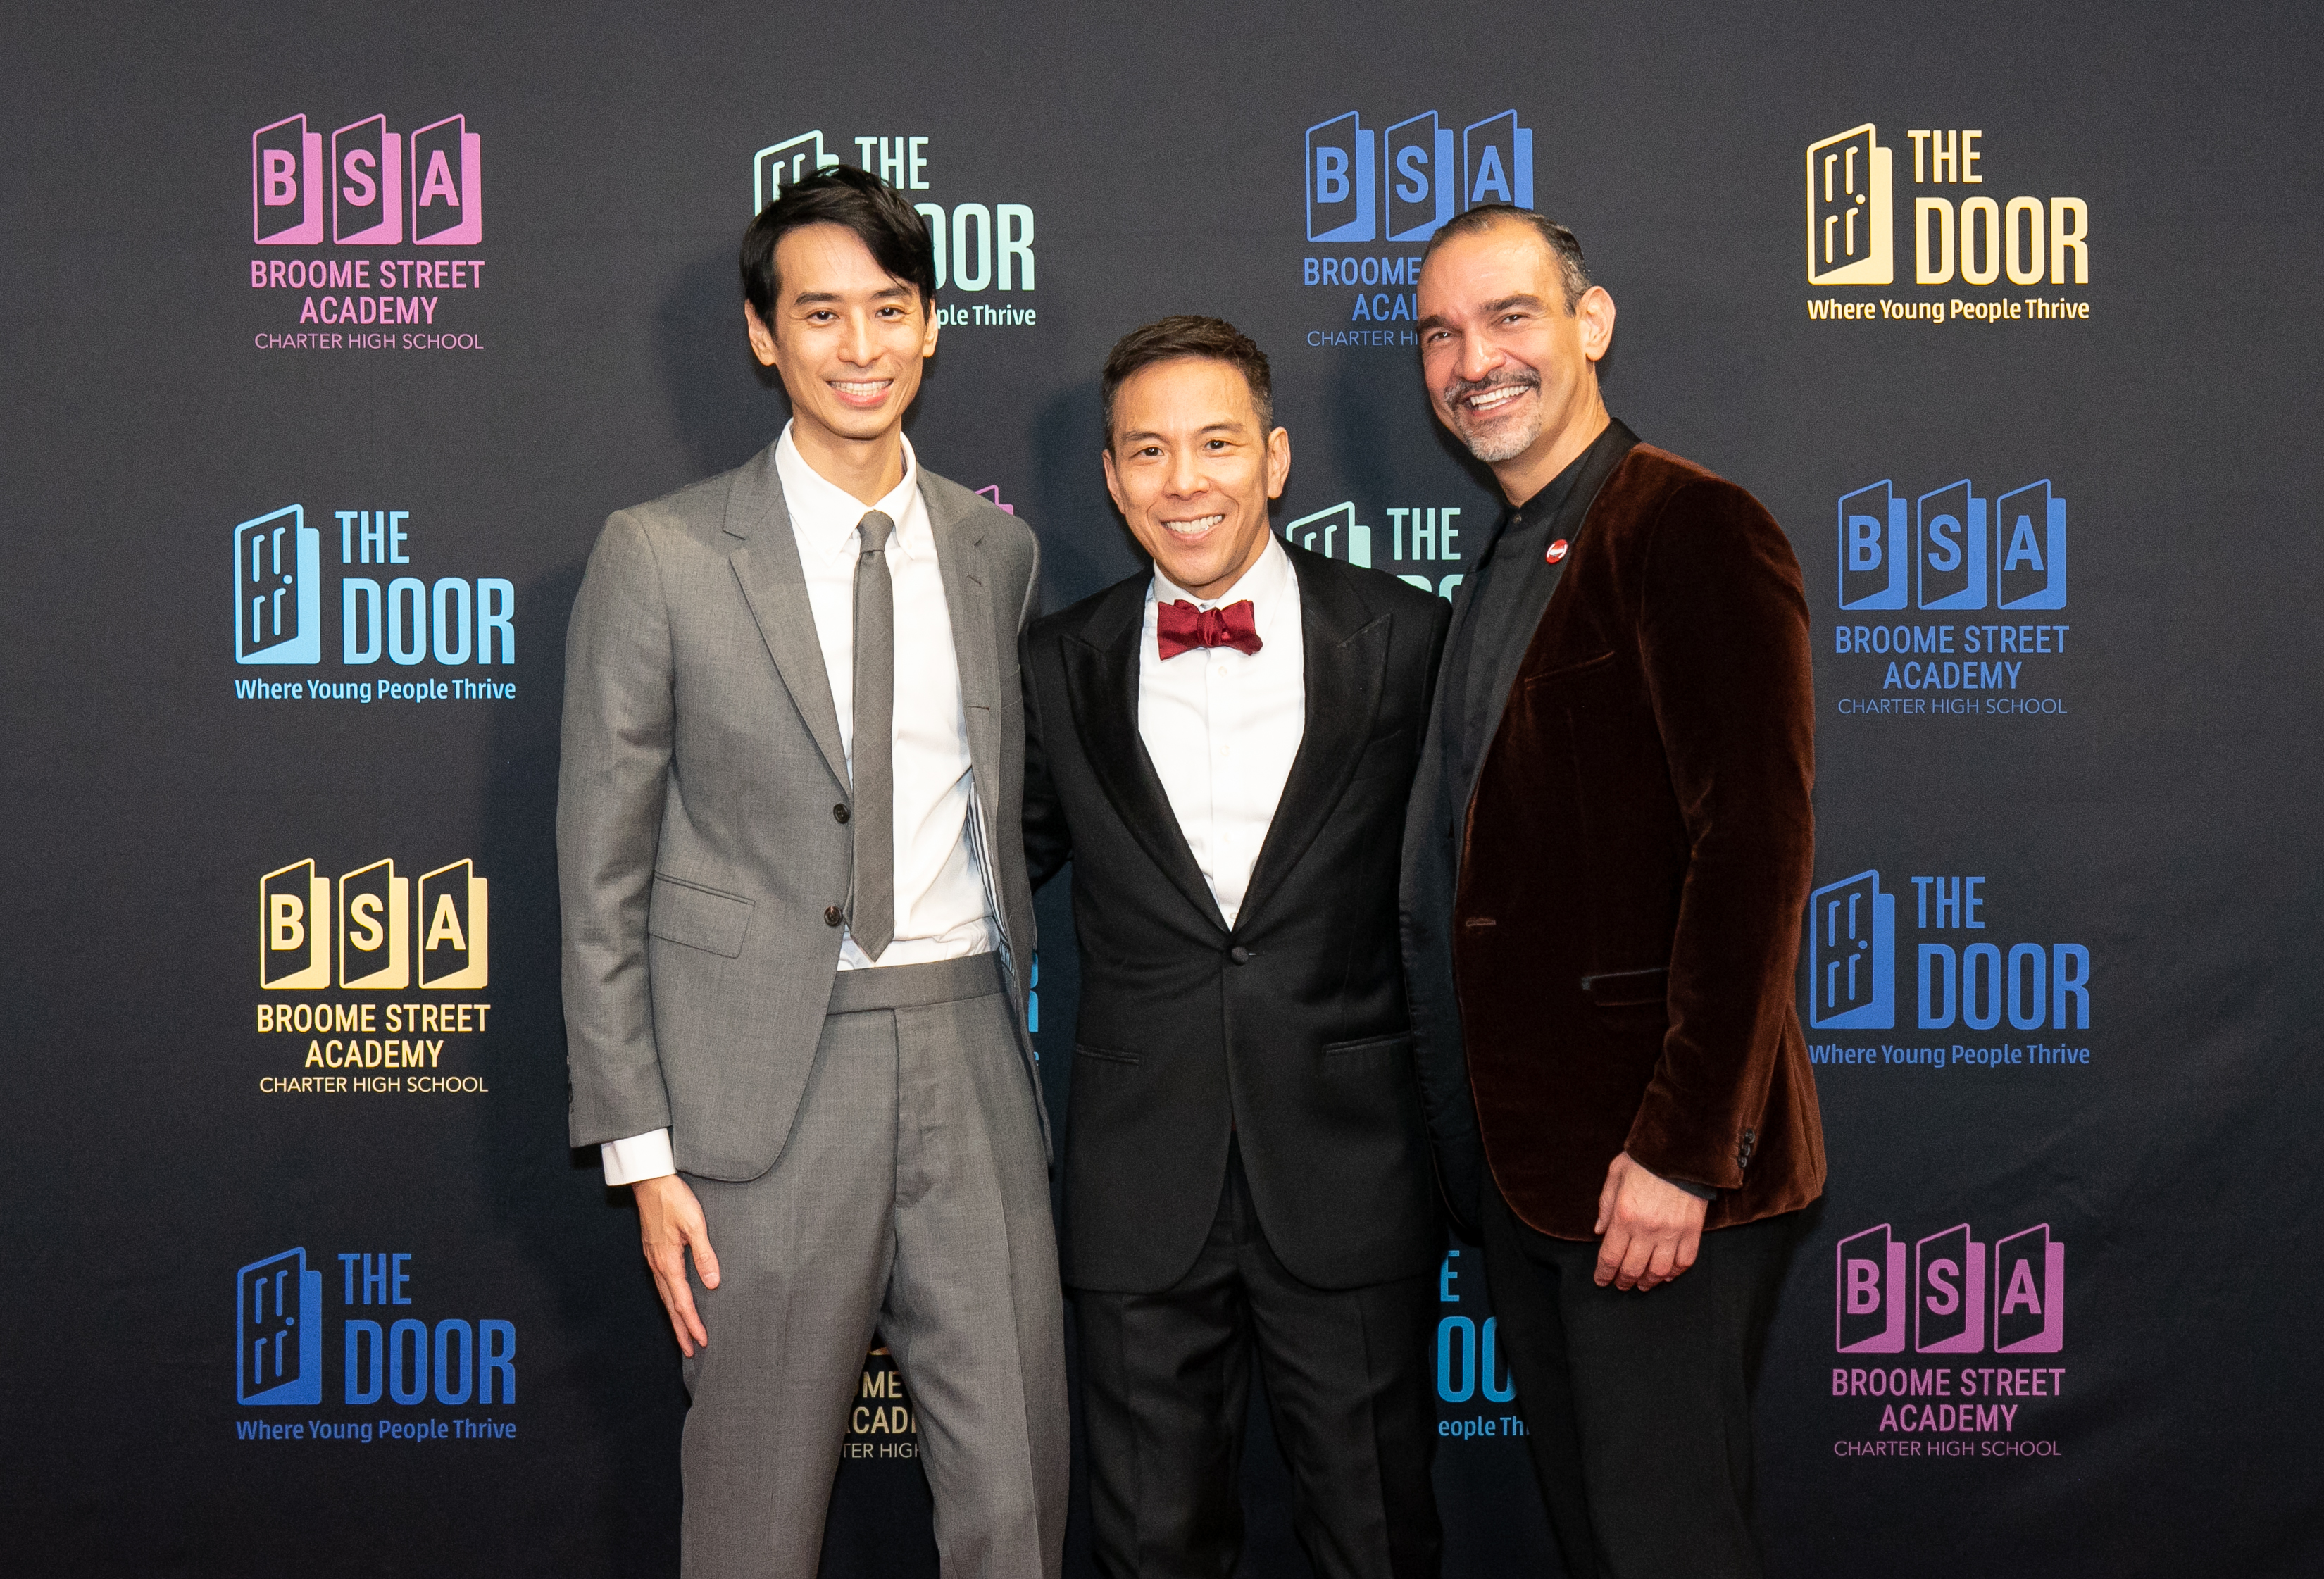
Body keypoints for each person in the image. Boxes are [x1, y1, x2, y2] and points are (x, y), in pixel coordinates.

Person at [557, 165, 1064, 1579]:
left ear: (932, 325)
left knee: (1017, 1504)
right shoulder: (661, 554)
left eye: (889, 309)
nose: (860, 345)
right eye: (821, 312)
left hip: (971, 1051)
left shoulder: (996, 550)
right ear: (761, 334)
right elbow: (600, 877)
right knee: (753, 1522)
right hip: (761, 1094)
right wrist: (643, 1154)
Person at [1399, 206, 1825, 1578]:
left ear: (1592, 324)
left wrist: (1684, 1150)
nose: (1474, 360)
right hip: (1535, 1178)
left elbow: (1752, 853)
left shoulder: (1692, 525)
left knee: (1666, 1547)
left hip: (1654, 1173)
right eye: (1441, 334)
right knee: (1603, 1544)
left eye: (1509, 316)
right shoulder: (1511, 552)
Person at [1021, 316, 1449, 1579]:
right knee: (1150, 1550)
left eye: (1215, 443)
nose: (1183, 480)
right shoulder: (1056, 664)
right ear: (1112, 478)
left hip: (1349, 1169)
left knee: (1376, 1540)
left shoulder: (1405, 639)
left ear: (1276, 457)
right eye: (1148, 451)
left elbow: (1465, 889)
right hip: (1137, 1183)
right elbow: (977, 871)